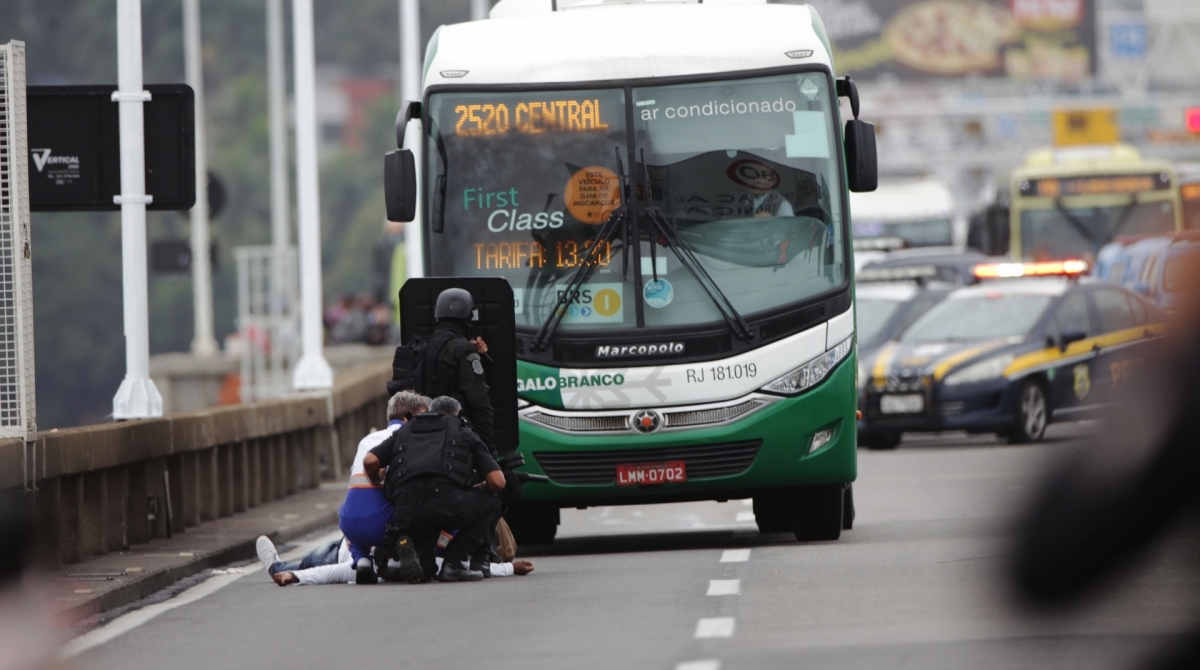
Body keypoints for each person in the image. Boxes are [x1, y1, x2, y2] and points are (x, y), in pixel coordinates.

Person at [364, 395, 505, 583]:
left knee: (426, 569)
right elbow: (498, 482)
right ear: (456, 414)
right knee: (492, 500)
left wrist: (376, 479)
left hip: (406, 512)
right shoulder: (463, 430)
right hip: (446, 506)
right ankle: (452, 564)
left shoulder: (404, 431)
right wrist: (480, 485)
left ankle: (401, 549)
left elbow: (370, 461)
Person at [390, 287, 496, 449]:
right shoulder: (463, 350)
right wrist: (488, 451)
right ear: (468, 316)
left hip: (417, 437)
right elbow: (479, 404)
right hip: (453, 438)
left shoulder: (419, 347)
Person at [339, 390, 429, 578]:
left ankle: (362, 560)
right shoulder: (413, 439)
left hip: (349, 525)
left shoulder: (367, 439)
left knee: (357, 502)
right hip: (383, 527)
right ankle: (397, 558)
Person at [254, 535, 533, 587]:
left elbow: (335, 572)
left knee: (303, 565)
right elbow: (467, 567)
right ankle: (281, 567)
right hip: (344, 546)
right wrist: (510, 567)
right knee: (307, 562)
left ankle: (278, 568)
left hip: (337, 555)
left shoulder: (375, 567)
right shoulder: (427, 561)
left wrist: (296, 578)